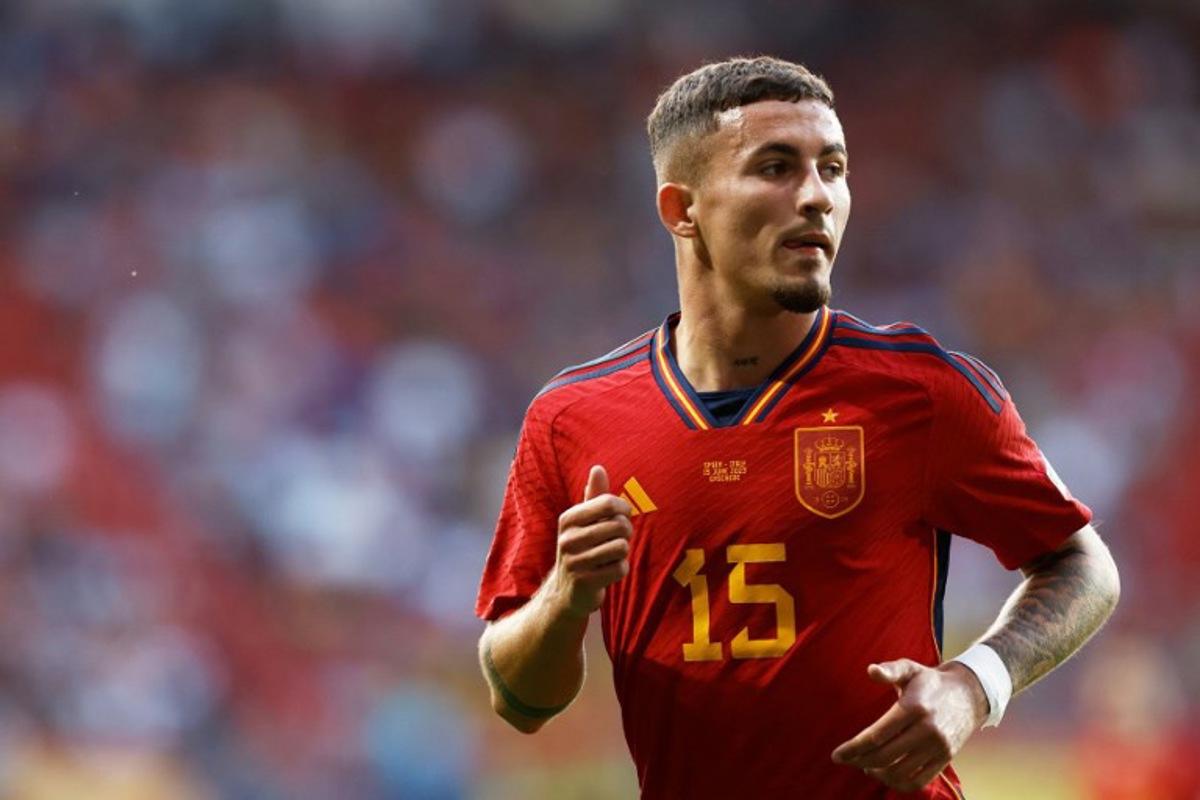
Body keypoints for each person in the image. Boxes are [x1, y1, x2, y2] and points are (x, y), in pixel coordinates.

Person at [474, 56, 1120, 798]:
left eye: (833, 169)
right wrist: (568, 595)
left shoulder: (923, 390)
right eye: (776, 167)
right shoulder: (571, 420)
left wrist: (975, 684)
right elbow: (519, 698)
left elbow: (1082, 564)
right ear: (681, 211)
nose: (816, 196)